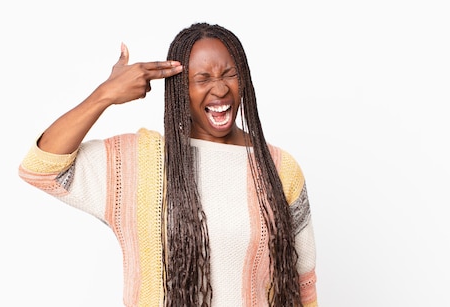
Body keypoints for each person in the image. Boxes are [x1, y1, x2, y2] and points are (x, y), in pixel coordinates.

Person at [19, 22, 317, 307]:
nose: (220, 89)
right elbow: (42, 167)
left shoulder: (278, 168)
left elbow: (302, 283)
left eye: (230, 74)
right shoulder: (142, 164)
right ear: (180, 88)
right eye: (202, 79)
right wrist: (105, 95)